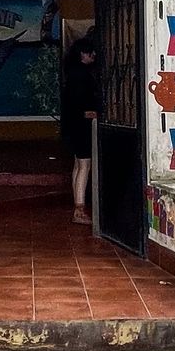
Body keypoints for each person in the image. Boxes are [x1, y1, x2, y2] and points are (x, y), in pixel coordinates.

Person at [61, 32, 100, 226]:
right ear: (82, 54)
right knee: (84, 166)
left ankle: (78, 204)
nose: (93, 55)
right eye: (89, 52)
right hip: (81, 126)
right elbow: (81, 106)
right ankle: (79, 209)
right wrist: (94, 113)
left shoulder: (72, 73)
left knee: (78, 165)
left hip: (72, 126)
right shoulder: (81, 75)